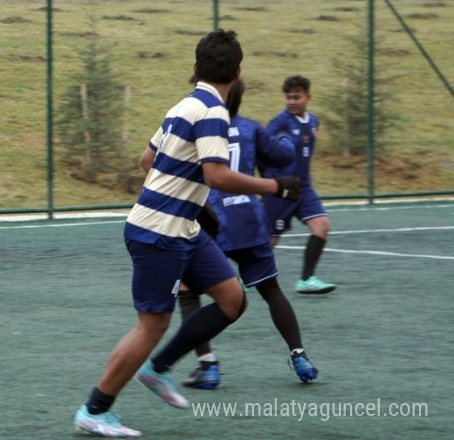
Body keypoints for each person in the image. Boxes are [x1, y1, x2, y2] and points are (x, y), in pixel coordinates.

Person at [73, 29, 301, 438]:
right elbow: (217, 174)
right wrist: (274, 186)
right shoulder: (213, 111)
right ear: (238, 72)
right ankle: (94, 409)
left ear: (195, 68)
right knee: (151, 325)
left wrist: (193, 204)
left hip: (182, 227)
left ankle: (158, 368)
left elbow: (147, 160)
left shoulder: (184, 105)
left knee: (233, 299)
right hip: (159, 232)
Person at [173, 79, 318, 390]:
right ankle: (300, 356)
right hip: (251, 221)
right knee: (272, 291)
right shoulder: (251, 128)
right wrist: (285, 140)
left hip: (213, 222)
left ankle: (207, 365)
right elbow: (282, 156)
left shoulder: (200, 126)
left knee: (187, 290)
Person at [261, 75, 336, 294]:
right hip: (281, 189)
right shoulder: (279, 123)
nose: (292, 101)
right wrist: (271, 182)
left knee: (322, 226)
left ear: (308, 97)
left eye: (297, 97)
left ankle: (306, 279)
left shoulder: (313, 122)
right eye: (288, 97)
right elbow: (263, 152)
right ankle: (244, 279)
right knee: (270, 239)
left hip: (304, 187)